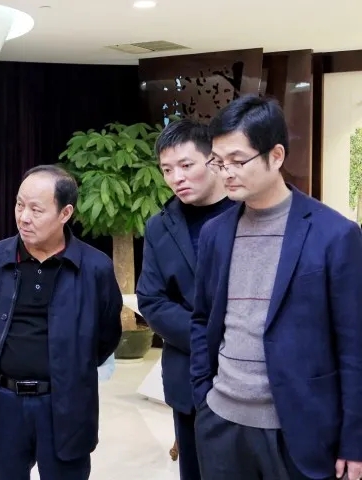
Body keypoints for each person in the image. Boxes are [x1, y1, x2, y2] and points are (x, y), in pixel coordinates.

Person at [190, 95, 362, 480]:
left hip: (299, 429)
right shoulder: (215, 233)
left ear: (276, 156)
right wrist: (203, 394)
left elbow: (354, 346)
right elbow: (202, 319)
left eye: (238, 161)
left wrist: (355, 439)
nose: (226, 172)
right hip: (221, 422)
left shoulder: (335, 235)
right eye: (218, 161)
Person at [0, 164, 123, 480]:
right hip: (4, 404)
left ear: (65, 213)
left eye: (36, 210)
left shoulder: (95, 268)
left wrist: (71, 367)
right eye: (19, 205)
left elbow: (106, 336)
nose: (23, 217)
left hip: (65, 405)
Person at [136, 118, 234, 480]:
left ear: (214, 160)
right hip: (189, 376)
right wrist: (209, 338)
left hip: (253, 379)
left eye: (186, 165)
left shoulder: (247, 213)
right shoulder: (159, 226)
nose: (176, 177)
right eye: (167, 169)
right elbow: (152, 299)